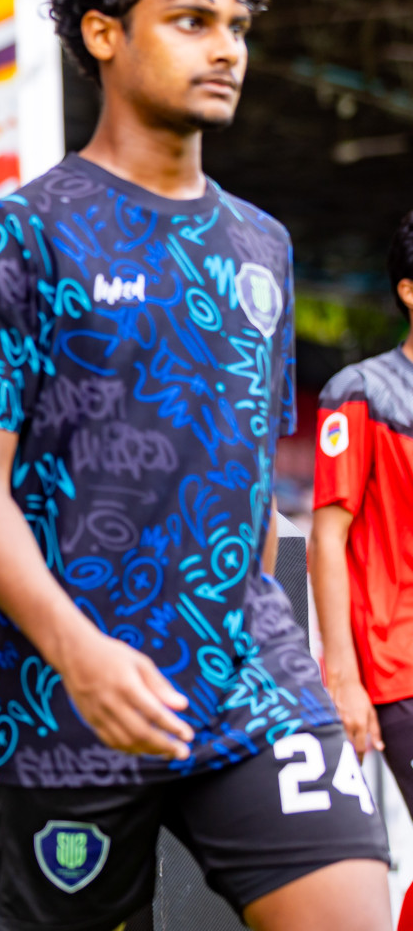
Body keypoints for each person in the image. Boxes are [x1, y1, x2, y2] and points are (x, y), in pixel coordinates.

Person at [0, 0, 391, 929]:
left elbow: (251, 476)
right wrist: (77, 649)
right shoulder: (22, 234)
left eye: (237, 24)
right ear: (103, 33)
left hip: (247, 675)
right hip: (55, 708)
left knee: (353, 904)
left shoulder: (261, 243)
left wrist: (297, 654)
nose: (226, 47)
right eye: (188, 19)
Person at [310, 210, 413, 930]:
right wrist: (343, 679)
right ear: (410, 291)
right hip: (399, 663)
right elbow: (325, 537)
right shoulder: (362, 392)